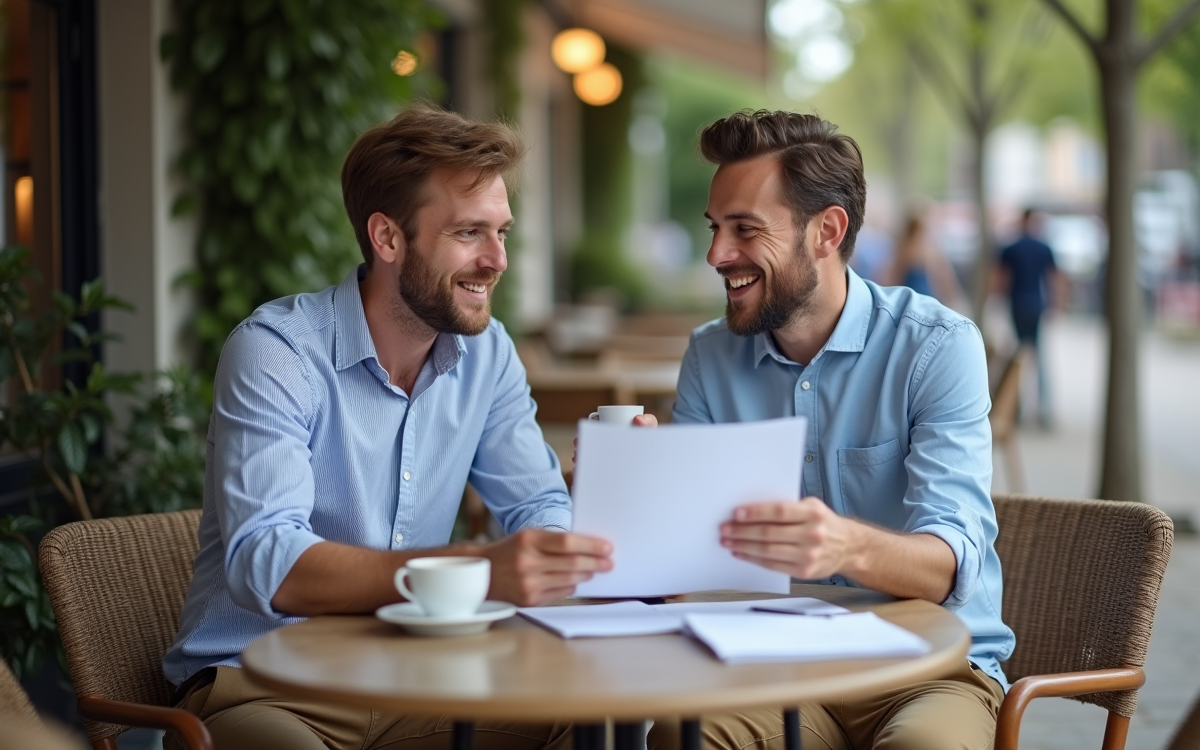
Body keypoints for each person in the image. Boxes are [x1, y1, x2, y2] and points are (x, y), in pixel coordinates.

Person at [162, 105, 618, 750]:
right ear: (388, 238)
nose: (497, 260)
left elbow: (538, 503)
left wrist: (582, 526)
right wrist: (476, 570)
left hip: (422, 677)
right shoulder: (277, 351)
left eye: (502, 232)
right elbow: (269, 563)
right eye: (468, 233)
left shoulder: (487, 355)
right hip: (265, 683)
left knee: (600, 725)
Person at [646, 110, 1013, 750]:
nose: (716, 254)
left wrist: (843, 547)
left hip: (927, 670)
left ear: (827, 230)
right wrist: (640, 494)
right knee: (687, 739)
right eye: (715, 228)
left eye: (745, 230)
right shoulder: (710, 355)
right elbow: (682, 571)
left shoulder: (937, 347)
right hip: (768, 667)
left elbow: (948, 566)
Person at [994, 208, 1065, 427]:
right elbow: (1055, 278)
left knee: (1018, 358)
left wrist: (996, 301)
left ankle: (1017, 408)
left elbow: (1001, 278)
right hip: (1037, 305)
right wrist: (1058, 304)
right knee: (1039, 357)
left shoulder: (1011, 248)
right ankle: (1043, 412)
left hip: (1017, 306)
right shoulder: (1043, 247)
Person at [883, 209, 963, 306]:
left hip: (917, 298)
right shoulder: (909, 250)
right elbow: (894, 275)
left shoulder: (922, 250)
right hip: (918, 298)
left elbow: (943, 277)